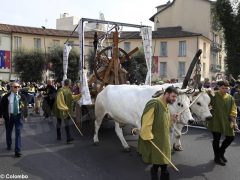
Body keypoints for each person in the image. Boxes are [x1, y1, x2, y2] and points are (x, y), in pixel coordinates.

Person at [138, 86, 179, 180]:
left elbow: (164, 124)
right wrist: (148, 137)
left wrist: (172, 119)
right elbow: (146, 122)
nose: (174, 99)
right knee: (157, 164)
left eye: (175, 97)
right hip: (155, 141)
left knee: (164, 164)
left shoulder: (166, 105)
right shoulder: (154, 103)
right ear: (166, 94)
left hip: (164, 141)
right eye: (173, 96)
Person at [207, 80, 238, 166]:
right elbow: (203, 97)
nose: (224, 90)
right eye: (222, 88)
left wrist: (234, 123)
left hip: (226, 121)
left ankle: (221, 152)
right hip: (215, 121)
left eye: (226, 88)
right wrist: (206, 90)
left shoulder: (230, 98)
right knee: (216, 139)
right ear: (219, 87)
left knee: (231, 137)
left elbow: (233, 111)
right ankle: (217, 157)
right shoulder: (213, 95)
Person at [0, 82, 28, 157]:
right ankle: (9, 144)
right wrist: (1, 117)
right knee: (8, 131)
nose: (17, 88)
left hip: (18, 116)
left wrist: (25, 116)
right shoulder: (6, 97)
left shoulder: (22, 96)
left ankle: (17, 150)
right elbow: (1, 107)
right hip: (9, 116)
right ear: (11, 87)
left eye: (18, 87)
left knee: (18, 132)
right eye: (15, 87)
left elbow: (25, 107)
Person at [53, 79, 81, 143]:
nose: (71, 84)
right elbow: (60, 101)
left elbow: (72, 97)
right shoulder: (61, 90)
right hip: (61, 109)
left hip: (65, 109)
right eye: (70, 83)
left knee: (64, 123)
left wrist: (80, 95)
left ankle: (66, 137)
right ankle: (62, 136)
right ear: (68, 83)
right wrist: (64, 108)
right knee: (61, 122)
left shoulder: (68, 90)